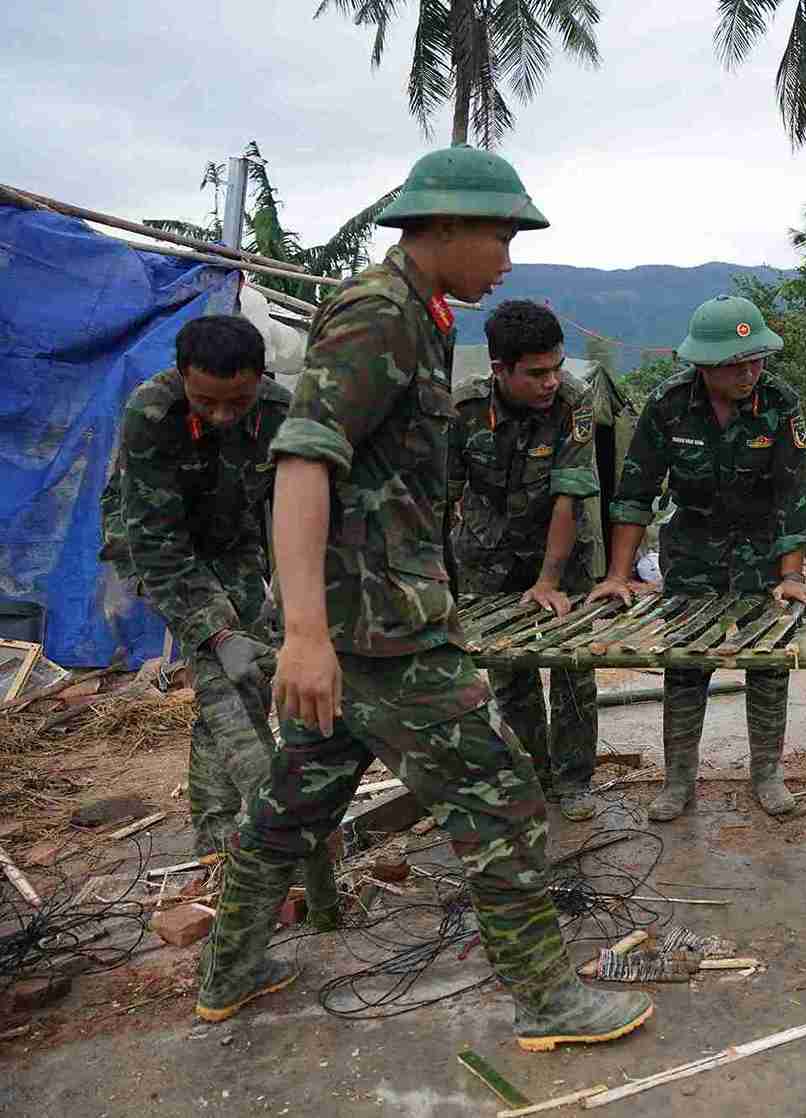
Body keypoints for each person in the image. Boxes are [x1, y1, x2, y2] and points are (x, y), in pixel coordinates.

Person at [192, 145, 654, 1048]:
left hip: (369, 622)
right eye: (500, 237)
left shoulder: (421, 314)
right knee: (504, 801)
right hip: (381, 635)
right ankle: (548, 1001)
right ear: (443, 226)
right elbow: (302, 460)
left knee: (292, 804)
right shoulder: (380, 314)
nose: (509, 259)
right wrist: (306, 635)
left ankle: (227, 973)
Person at [98, 315, 339, 929]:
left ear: (260, 379)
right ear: (183, 377)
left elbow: (300, 504)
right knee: (225, 682)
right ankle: (264, 841)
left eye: (239, 401)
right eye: (208, 402)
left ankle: (214, 833)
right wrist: (216, 632)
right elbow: (158, 543)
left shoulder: (281, 411)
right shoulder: (152, 413)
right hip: (152, 543)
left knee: (246, 679)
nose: (225, 416)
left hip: (233, 543)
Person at [587, 294, 806, 821]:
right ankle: (678, 781)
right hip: (693, 550)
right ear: (705, 365)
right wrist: (619, 575)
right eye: (736, 365)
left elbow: (795, 493)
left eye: (756, 360)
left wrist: (790, 573)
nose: (749, 373)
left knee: (769, 665)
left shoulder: (780, 401)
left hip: (763, 553)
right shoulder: (668, 404)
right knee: (686, 665)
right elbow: (635, 492)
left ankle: (767, 774)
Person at [450, 300, 603, 821]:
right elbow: (437, 499)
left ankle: (575, 781)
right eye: (537, 373)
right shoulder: (465, 409)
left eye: (556, 367)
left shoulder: (574, 401)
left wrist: (549, 581)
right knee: (509, 672)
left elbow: (569, 496)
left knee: (573, 667)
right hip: (487, 554)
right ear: (500, 369)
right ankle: (531, 777)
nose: (551, 381)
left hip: (562, 550)